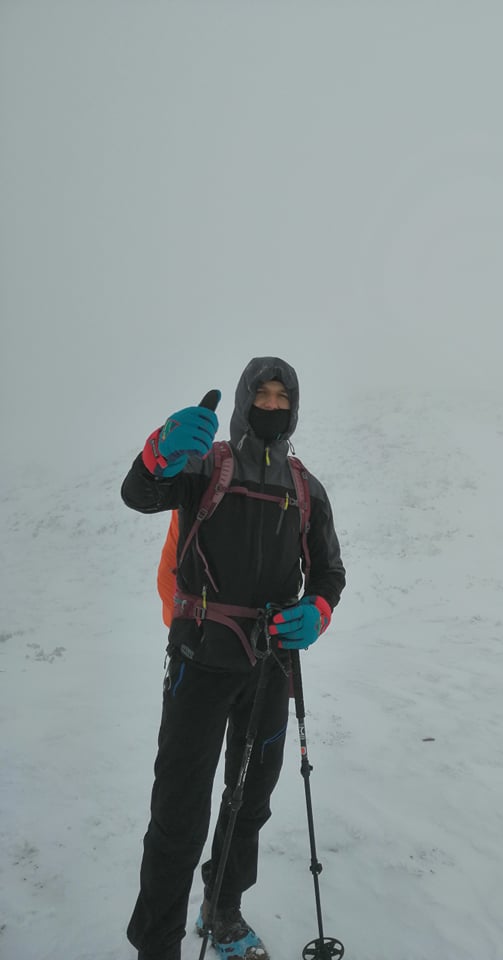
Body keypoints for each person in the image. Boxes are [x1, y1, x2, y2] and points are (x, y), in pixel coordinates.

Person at [121, 357, 346, 960]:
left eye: (281, 396)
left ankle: (222, 910)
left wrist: (317, 611)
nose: (271, 404)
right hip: (199, 662)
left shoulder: (305, 488)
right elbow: (140, 494)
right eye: (262, 394)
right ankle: (158, 945)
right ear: (245, 401)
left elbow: (329, 572)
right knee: (179, 811)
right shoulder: (206, 465)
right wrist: (159, 451)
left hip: (270, 668)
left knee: (249, 802)